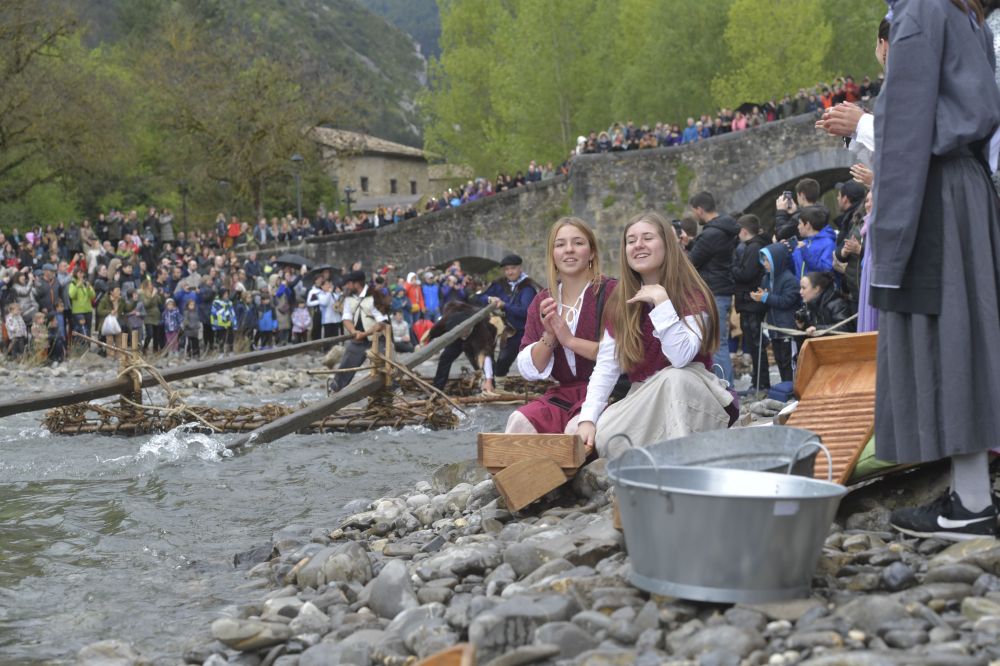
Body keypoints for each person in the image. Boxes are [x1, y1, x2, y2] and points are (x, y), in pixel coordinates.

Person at [870, 0, 1000, 539]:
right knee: (966, 334)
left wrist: (890, 235)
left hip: (932, 190)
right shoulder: (965, 16)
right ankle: (969, 494)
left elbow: (904, 131)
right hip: (966, 187)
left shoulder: (922, 11)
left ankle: (971, 505)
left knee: (944, 334)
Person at [574, 212, 735, 458]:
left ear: (666, 245)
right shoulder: (620, 302)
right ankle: (660, 451)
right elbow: (607, 367)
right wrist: (587, 419)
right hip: (643, 394)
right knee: (603, 435)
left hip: (690, 386)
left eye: (647, 238)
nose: (638, 245)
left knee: (674, 379)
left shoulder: (692, 294)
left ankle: (682, 465)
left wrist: (661, 301)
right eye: (631, 240)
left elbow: (681, 357)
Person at [506, 217, 617, 434]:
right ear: (553, 255)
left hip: (609, 392)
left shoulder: (612, 292)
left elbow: (619, 354)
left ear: (592, 252)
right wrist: (549, 336)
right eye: (560, 245)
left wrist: (569, 340)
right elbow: (531, 369)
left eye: (578, 243)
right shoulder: (542, 301)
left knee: (574, 432)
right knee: (518, 422)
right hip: (563, 396)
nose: (569, 250)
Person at [686, 191, 739, 385]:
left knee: (717, 344)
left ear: (700, 209)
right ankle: (727, 387)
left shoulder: (711, 234)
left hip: (714, 292)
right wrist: (692, 243)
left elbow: (691, 262)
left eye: (694, 211)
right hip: (722, 290)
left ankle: (725, 389)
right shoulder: (724, 229)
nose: (694, 216)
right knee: (719, 342)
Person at [478, 254, 540, 377]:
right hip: (509, 331)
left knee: (532, 365)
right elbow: (479, 297)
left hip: (526, 332)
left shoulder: (527, 288)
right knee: (501, 364)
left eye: (513, 268)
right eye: (506, 269)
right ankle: (498, 386)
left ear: (520, 268)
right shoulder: (500, 284)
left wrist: (504, 305)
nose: (510, 272)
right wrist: (490, 298)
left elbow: (525, 311)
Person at [329, 271, 388, 392]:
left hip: (377, 338)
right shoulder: (349, 297)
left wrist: (364, 334)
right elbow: (346, 317)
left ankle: (392, 389)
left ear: (356, 284)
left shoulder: (375, 295)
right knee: (347, 363)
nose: (346, 286)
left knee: (386, 367)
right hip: (358, 339)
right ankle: (335, 390)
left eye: (349, 284)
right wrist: (353, 331)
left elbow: (381, 322)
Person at [730, 215, 770, 392]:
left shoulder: (753, 248)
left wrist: (732, 268)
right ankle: (758, 381)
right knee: (754, 343)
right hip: (748, 300)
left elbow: (746, 274)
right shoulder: (753, 246)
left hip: (751, 301)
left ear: (743, 231)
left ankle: (761, 383)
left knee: (756, 343)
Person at [750, 243, 799, 383]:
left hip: (786, 328)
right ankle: (784, 387)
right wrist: (761, 297)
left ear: (777, 260)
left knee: (788, 361)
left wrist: (765, 297)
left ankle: (791, 388)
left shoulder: (789, 279)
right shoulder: (766, 278)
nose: (764, 264)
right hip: (774, 328)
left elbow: (786, 301)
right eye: (763, 260)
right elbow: (770, 299)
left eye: (767, 260)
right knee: (779, 360)